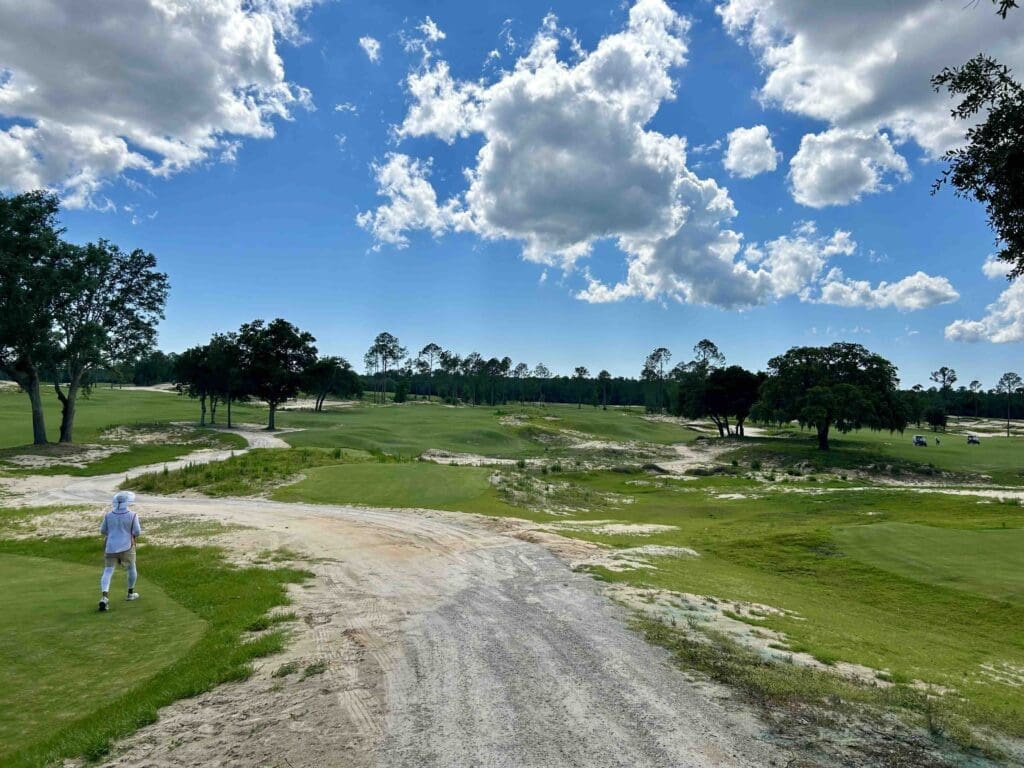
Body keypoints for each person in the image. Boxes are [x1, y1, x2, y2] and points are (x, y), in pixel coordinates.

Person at [99, 491, 142, 612]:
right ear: (127, 502)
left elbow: (103, 531)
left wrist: (113, 533)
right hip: (127, 546)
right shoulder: (133, 515)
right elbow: (137, 532)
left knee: (108, 571)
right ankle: (130, 593)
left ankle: (104, 597)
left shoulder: (108, 515)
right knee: (131, 567)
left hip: (111, 546)